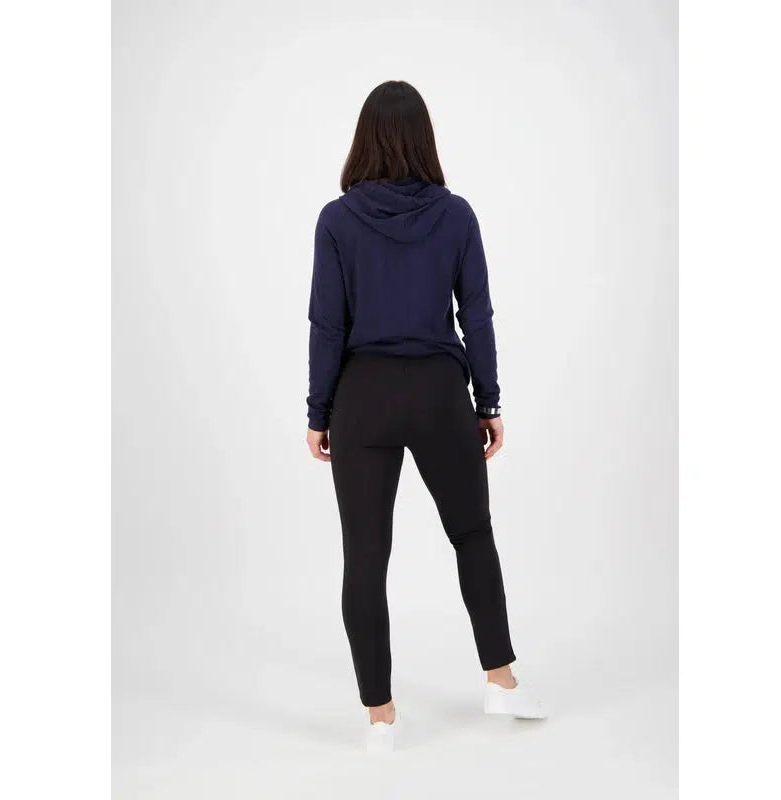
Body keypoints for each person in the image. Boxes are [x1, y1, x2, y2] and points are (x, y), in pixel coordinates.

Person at [305, 80, 546, 752]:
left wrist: (319, 411)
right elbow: (477, 315)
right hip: (440, 393)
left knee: (365, 556)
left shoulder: (337, 220)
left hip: (363, 397)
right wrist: (487, 401)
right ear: (424, 139)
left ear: (364, 140)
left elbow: (328, 324)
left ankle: (380, 720)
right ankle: (501, 682)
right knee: (473, 535)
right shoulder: (456, 215)